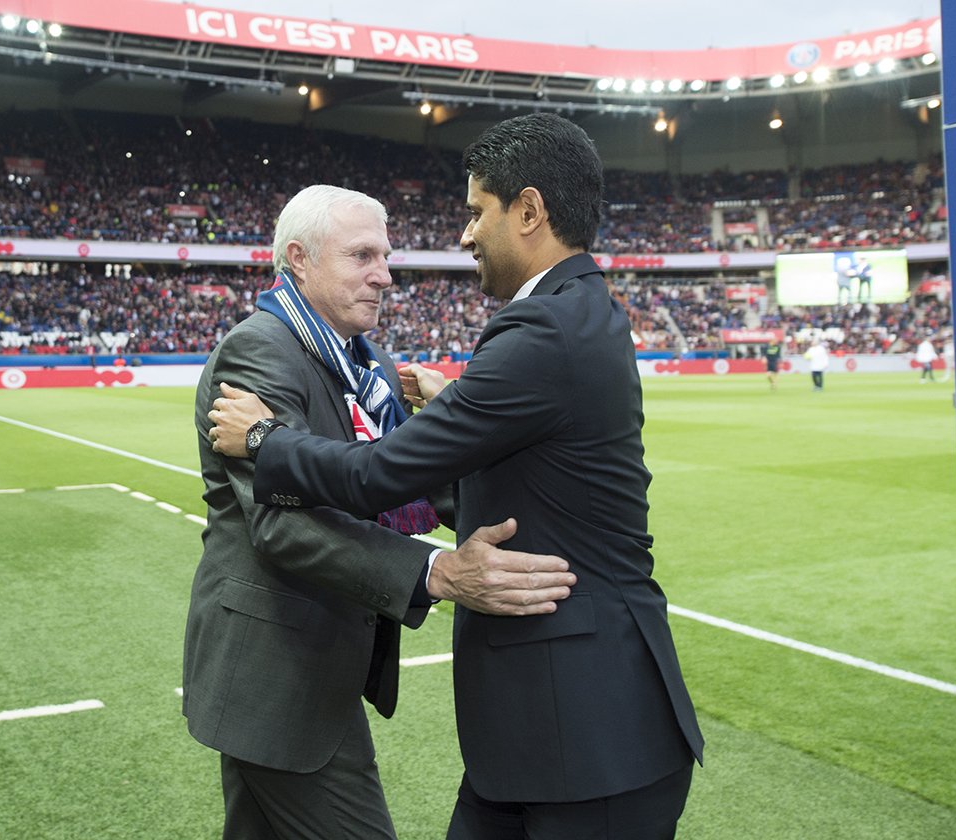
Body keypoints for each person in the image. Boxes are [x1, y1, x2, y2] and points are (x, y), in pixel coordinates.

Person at [209, 114, 702, 839]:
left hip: (593, 737)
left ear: (528, 211)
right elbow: (505, 478)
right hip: (543, 733)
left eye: (477, 212)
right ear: (299, 260)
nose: (465, 235)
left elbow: (380, 474)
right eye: (363, 255)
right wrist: (460, 418)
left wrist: (263, 439)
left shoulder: (542, 333)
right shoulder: (583, 313)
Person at [182, 184, 576, 840]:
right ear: (299, 259)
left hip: (311, 669)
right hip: (277, 678)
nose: (385, 276)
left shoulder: (370, 364)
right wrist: (437, 574)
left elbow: (394, 479)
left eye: (385, 256)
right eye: (363, 255)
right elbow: (285, 524)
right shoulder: (260, 353)